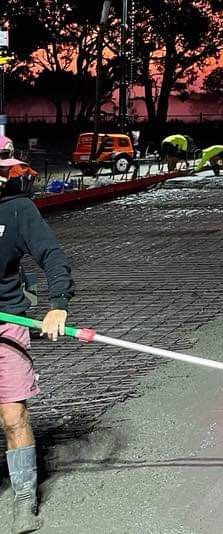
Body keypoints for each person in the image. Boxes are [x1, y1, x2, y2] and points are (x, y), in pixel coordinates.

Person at [0, 154, 73, 533]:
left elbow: (51, 255)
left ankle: (24, 498)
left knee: (12, 416)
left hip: (4, 324)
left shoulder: (17, 210)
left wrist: (57, 305)